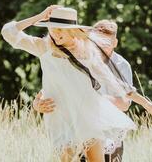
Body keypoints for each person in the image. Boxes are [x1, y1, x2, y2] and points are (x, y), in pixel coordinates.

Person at [1, 5, 152, 162]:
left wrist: (147, 104)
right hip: (61, 118)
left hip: (88, 116)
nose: (55, 34)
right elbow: (8, 33)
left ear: (72, 30)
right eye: (52, 28)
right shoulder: (44, 47)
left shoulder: (87, 52)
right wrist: (40, 16)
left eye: (60, 29)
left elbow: (114, 82)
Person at [32, 19, 141, 161]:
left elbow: (124, 104)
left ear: (115, 43)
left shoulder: (121, 65)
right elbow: (56, 90)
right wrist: (37, 104)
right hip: (76, 132)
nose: (101, 47)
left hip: (108, 135)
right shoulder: (75, 58)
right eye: (98, 43)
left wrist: (92, 100)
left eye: (107, 43)